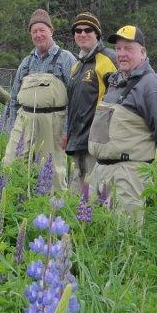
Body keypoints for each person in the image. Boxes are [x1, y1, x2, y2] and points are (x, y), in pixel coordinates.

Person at [88, 25, 157, 223]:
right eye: (119, 48)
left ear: (142, 52)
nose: (121, 54)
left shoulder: (152, 85)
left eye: (128, 48)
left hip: (128, 174)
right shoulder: (116, 81)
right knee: (94, 236)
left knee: (125, 237)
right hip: (101, 170)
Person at [3, 8, 76, 189]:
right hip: (24, 120)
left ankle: (54, 212)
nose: (38, 34)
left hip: (53, 123)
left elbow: (75, 98)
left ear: (51, 31)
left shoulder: (66, 59)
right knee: (11, 165)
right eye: (34, 31)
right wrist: (14, 125)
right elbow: (13, 98)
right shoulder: (27, 62)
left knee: (53, 173)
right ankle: (14, 205)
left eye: (42, 30)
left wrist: (67, 130)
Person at [62, 12, 117, 188]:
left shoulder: (108, 59)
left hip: (97, 142)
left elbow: (119, 99)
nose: (82, 34)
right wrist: (67, 133)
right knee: (76, 196)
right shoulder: (77, 66)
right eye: (78, 31)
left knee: (96, 196)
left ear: (97, 35)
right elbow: (72, 105)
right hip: (77, 140)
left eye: (88, 30)